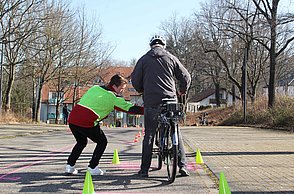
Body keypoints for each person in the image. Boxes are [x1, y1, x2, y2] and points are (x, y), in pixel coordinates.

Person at [131, 35, 191, 178]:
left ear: (151, 45)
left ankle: (144, 170)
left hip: (152, 101)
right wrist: (182, 90)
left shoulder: (144, 59)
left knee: (149, 135)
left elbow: (135, 80)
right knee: (175, 130)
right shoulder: (171, 58)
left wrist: (141, 90)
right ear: (163, 45)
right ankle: (182, 166)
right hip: (170, 101)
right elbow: (186, 77)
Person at [65, 74, 144, 175]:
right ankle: (93, 167)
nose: (122, 91)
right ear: (114, 86)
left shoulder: (95, 88)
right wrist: (148, 110)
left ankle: (69, 166)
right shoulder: (113, 98)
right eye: (121, 88)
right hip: (86, 121)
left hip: (73, 118)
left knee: (81, 142)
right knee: (102, 142)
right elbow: (131, 109)